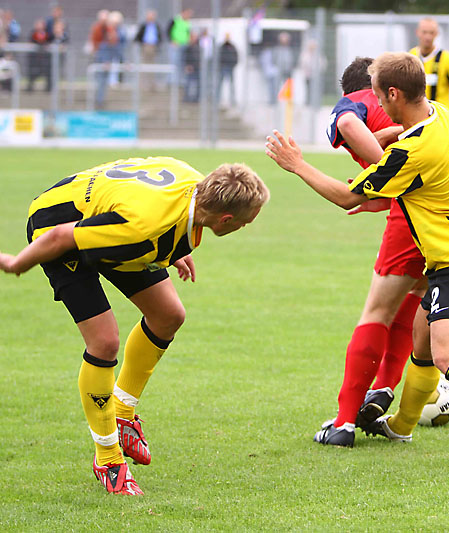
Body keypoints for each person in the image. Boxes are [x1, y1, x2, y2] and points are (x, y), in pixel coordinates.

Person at [266, 52, 449, 474]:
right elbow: (404, 156)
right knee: (422, 341)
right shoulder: (440, 115)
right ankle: (401, 425)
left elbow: (346, 196)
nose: (377, 103)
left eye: (380, 96)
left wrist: (297, 165)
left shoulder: (411, 153)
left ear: (394, 94)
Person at [0, 157, 269, 495]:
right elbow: (60, 237)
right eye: (245, 222)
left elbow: (139, 201)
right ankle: (108, 459)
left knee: (169, 315)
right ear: (226, 219)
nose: (244, 226)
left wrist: (172, 250)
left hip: (115, 224)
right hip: (57, 227)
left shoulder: (194, 184)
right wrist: (17, 264)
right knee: (104, 342)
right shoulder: (142, 229)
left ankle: (123, 413)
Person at [317, 56, 449, 449]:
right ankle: (386, 391)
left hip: (426, 204)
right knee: (417, 300)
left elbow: (349, 127)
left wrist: (380, 166)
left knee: (377, 309)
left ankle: (344, 423)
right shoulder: (430, 109)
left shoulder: (356, 101)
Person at [410, 18, 449, 135]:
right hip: (416, 120)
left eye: (431, 33)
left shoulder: (446, 58)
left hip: (440, 120)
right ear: (418, 32)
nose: (428, 37)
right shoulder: (411, 56)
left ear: (437, 34)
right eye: (424, 32)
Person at [134, 9, 162, 89]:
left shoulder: (156, 26)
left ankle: (151, 84)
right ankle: (142, 84)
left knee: (152, 66)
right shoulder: (143, 25)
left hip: (153, 47)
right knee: (143, 65)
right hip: (145, 47)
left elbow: (160, 37)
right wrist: (141, 43)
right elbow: (138, 36)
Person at [167, 8, 192, 87]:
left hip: (185, 45)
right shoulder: (175, 20)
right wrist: (172, 40)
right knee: (174, 63)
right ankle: (171, 81)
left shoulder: (188, 22)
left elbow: (188, 33)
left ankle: (180, 82)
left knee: (183, 64)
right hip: (176, 46)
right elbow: (168, 31)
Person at [26, 19, 51, 92]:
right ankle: (30, 87)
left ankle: (48, 88)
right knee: (32, 72)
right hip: (35, 58)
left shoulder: (47, 34)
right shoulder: (33, 33)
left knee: (47, 72)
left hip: (44, 58)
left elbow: (48, 42)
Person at [218, 33, 238, 107]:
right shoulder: (222, 47)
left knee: (231, 85)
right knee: (220, 84)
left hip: (230, 67)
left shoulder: (232, 47)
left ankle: (232, 100)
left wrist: (233, 65)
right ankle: (218, 100)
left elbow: (236, 56)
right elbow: (218, 57)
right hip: (223, 67)